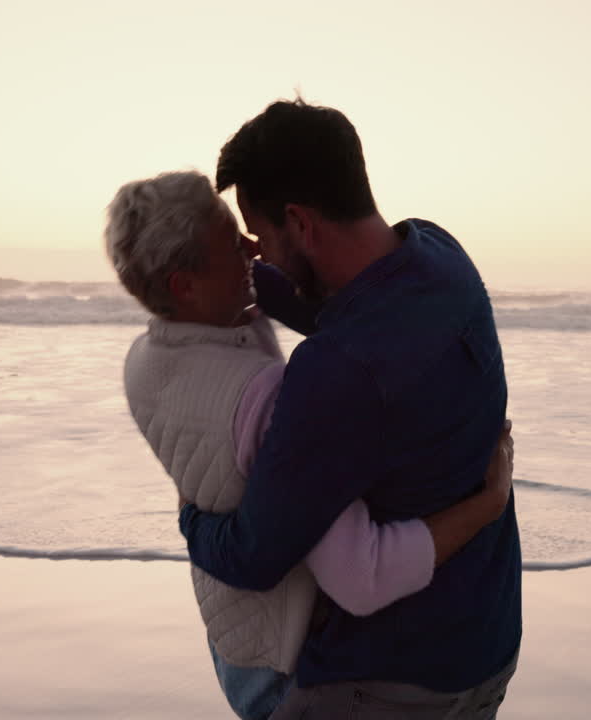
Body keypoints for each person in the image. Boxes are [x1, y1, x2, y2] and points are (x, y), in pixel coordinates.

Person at [104, 170, 515, 720]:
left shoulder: (145, 362)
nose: (253, 249)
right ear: (185, 284)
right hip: (285, 662)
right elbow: (362, 575)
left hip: (235, 634)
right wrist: (486, 505)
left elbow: (314, 304)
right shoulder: (266, 398)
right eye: (234, 242)